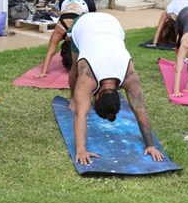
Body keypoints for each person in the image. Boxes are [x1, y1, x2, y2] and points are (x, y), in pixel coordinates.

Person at [69, 12, 164, 164]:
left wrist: (151, 145)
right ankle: (72, 98)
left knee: (78, 74)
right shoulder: (87, 77)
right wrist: (81, 149)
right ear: (97, 97)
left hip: (113, 25)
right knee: (74, 67)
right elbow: (80, 114)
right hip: (83, 23)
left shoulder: (129, 75)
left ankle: (76, 98)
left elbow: (140, 110)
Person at [35, 0, 96, 77]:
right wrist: (43, 72)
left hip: (86, 2)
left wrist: (43, 72)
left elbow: (50, 52)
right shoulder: (75, 33)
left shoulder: (61, 32)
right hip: (66, 0)